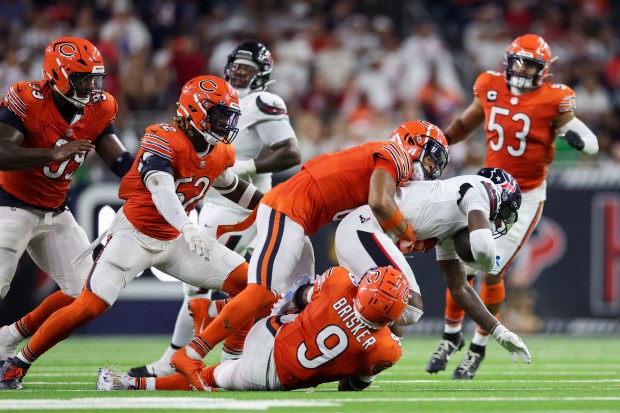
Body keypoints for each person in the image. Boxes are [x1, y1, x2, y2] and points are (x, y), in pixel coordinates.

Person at [0, 75, 264, 390]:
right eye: (220, 114)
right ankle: (17, 364)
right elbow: (160, 188)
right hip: (135, 234)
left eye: (228, 116)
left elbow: (231, 186)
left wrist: (277, 209)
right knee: (87, 305)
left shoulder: (220, 152)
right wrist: (188, 227)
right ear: (195, 110)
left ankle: (232, 362)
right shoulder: (162, 137)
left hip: (176, 240)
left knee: (250, 285)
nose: (226, 123)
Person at [169, 120, 450, 389]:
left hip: (298, 217)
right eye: (429, 161)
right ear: (413, 144)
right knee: (263, 292)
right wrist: (409, 235)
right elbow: (380, 202)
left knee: (298, 298)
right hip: (290, 208)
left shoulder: (387, 166)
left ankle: (212, 311)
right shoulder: (395, 156)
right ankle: (192, 353)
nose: (429, 170)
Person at [426, 34, 598, 379]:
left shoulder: (555, 99)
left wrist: (583, 141)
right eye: (518, 61)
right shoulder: (489, 86)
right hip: (490, 188)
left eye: (530, 64)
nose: (521, 69)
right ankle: (449, 336)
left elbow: (585, 137)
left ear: (543, 71)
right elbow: (463, 125)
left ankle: (478, 345)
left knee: (491, 269)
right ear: (508, 60)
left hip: (527, 196)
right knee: (461, 263)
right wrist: (434, 144)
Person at [127, 40, 301, 378]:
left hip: (237, 208)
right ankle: (224, 355)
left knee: (206, 288)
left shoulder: (263, 102)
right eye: (237, 65)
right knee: (215, 288)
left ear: (262, 75)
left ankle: (181, 360)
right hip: (213, 202)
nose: (239, 72)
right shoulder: (221, 95)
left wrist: (246, 166)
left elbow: (291, 152)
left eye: (248, 69)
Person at [0, 37, 134, 361]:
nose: (92, 86)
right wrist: (53, 152)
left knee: (86, 293)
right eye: (84, 78)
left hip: (56, 213)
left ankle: (9, 336)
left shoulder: (99, 108)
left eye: (96, 78)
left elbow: (119, 161)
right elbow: (2, 152)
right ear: (58, 75)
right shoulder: (26, 98)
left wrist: (156, 178)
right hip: (11, 204)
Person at [97, 266, 409, 392]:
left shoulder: (341, 281)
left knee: (266, 295)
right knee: (208, 378)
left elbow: (297, 300)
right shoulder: (387, 349)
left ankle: (215, 310)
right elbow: (351, 388)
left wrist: (309, 309)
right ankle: (129, 384)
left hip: (270, 335)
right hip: (272, 381)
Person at [335, 167, 531, 364]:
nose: (498, 223)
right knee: (409, 306)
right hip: (365, 227)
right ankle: (332, 310)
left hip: (364, 233)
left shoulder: (455, 222)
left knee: (393, 336)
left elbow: (460, 288)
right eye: (504, 212)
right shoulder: (481, 189)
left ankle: (358, 372)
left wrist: (499, 332)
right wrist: (492, 265)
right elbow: (482, 247)